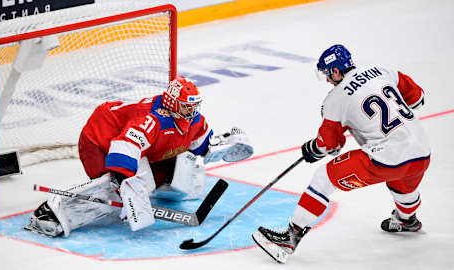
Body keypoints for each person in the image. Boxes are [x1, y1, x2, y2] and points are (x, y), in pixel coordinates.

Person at [252, 44, 430, 263]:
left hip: (387, 158)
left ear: (336, 71)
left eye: (328, 74)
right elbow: (418, 98)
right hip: (422, 151)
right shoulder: (384, 71)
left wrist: (313, 148)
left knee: (324, 177)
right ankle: (407, 219)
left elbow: (329, 145)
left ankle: (290, 236)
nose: (327, 80)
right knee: (402, 181)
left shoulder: (336, 98)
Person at [25, 75, 253, 237]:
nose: (192, 112)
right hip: (99, 139)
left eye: (194, 106)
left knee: (171, 169)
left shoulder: (194, 121)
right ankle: (52, 213)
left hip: (144, 147)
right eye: (186, 107)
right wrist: (123, 183)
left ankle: (154, 188)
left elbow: (200, 147)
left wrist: (225, 145)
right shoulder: (152, 119)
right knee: (113, 191)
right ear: (173, 103)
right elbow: (125, 146)